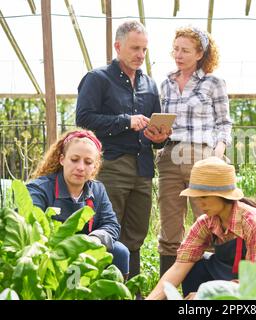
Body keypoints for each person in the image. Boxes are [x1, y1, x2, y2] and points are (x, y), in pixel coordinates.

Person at [76, 20, 170, 278]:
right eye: (135, 48)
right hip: (112, 166)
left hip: (143, 168)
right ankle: (103, 288)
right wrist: (125, 121)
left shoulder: (149, 84)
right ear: (118, 46)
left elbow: (155, 137)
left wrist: (159, 135)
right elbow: (83, 120)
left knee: (136, 235)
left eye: (144, 49)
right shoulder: (98, 79)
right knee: (107, 230)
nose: (140, 55)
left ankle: (132, 289)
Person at [145, 26, 232, 277]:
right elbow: (162, 121)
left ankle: (212, 288)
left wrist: (217, 154)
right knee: (170, 229)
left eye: (185, 50)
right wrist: (156, 133)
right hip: (169, 158)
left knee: (210, 223)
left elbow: (224, 123)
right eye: (176, 49)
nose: (178, 55)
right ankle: (168, 289)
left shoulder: (214, 83)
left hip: (202, 158)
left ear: (200, 53)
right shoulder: (166, 83)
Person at [146, 157, 256, 299]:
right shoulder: (206, 222)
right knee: (196, 266)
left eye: (203, 197)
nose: (198, 203)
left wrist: (209, 295)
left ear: (223, 195)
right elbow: (179, 267)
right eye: (196, 197)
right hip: (230, 275)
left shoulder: (254, 223)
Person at [27, 129, 129, 277]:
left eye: (88, 162)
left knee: (119, 252)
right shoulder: (39, 189)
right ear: (62, 159)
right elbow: (30, 224)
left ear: (95, 166)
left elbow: (111, 224)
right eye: (74, 159)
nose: (81, 167)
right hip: (49, 254)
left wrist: (93, 239)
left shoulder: (98, 190)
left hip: (86, 253)